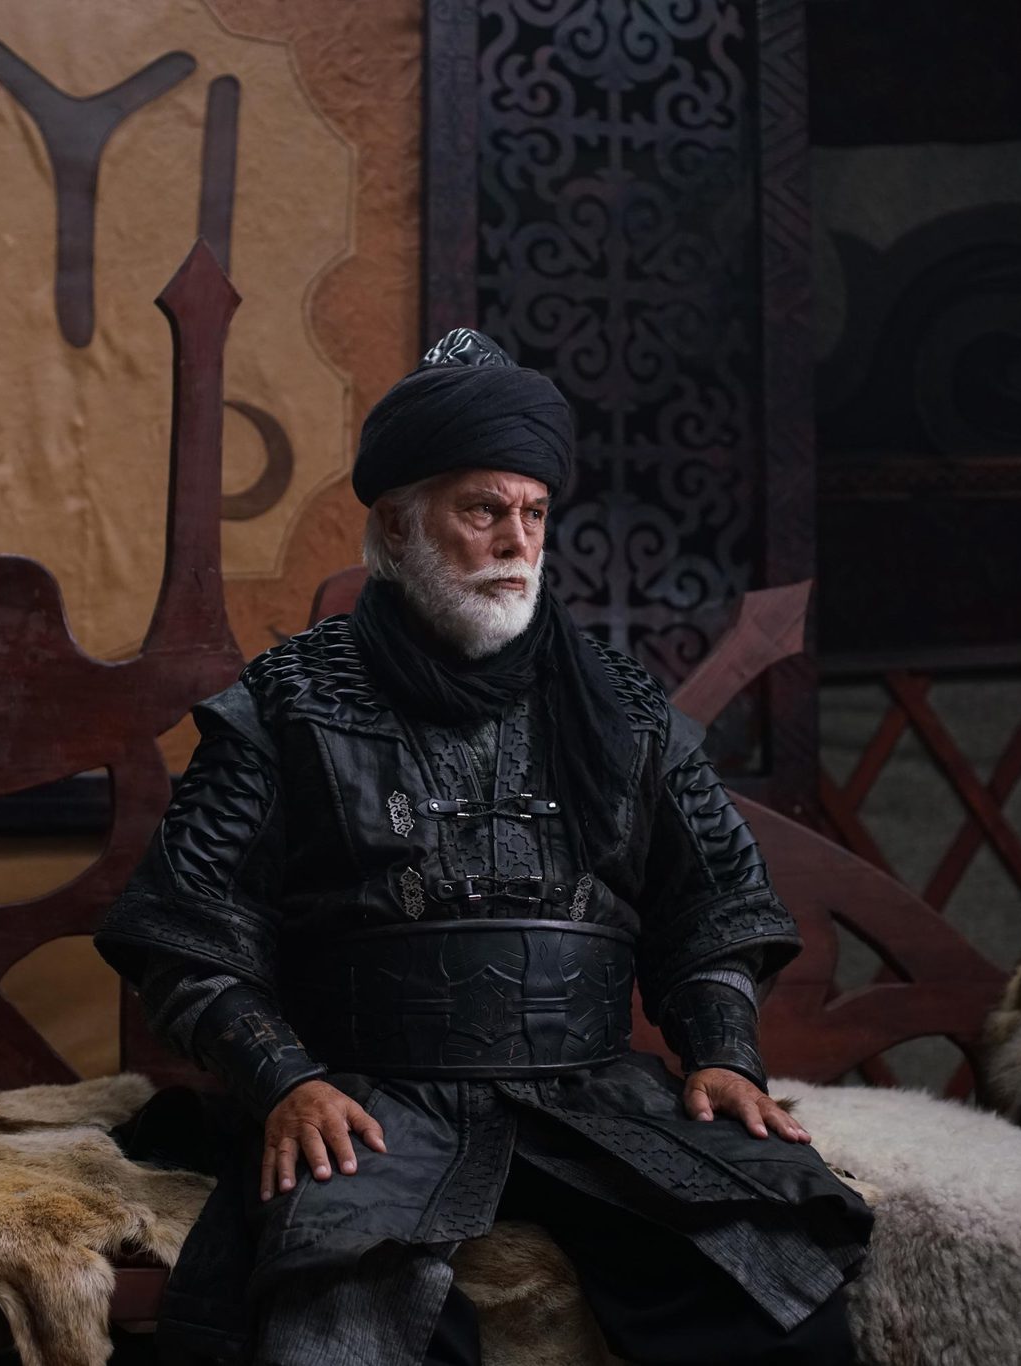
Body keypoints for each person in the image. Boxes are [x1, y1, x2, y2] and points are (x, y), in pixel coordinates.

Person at [96, 329, 870, 1365]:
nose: (516, 540)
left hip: (590, 1098)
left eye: (533, 513)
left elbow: (713, 906)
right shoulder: (287, 705)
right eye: (482, 511)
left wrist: (722, 1053)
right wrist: (283, 1081)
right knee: (347, 1325)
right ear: (396, 523)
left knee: (775, 1303)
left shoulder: (622, 707)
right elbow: (188, 938)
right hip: (369, 1104)